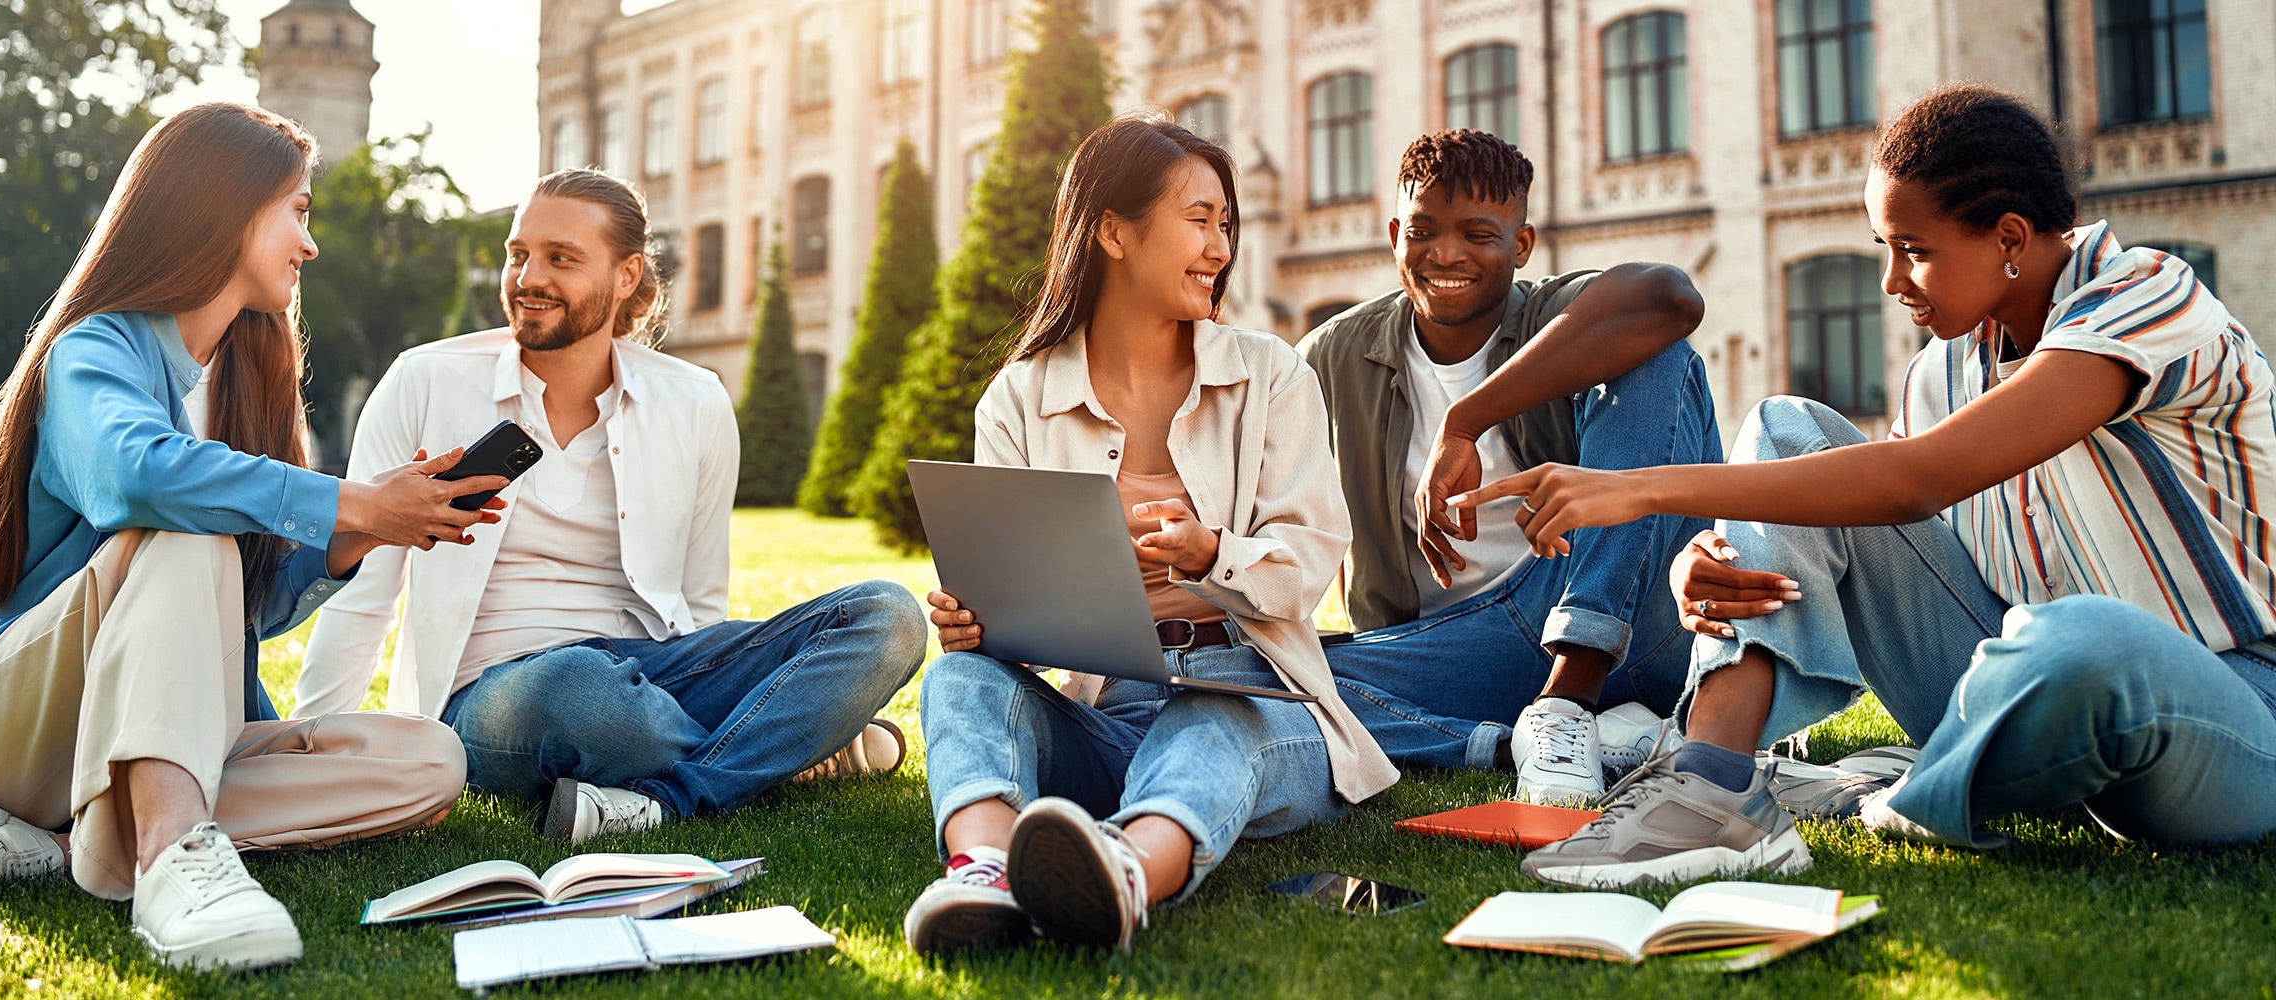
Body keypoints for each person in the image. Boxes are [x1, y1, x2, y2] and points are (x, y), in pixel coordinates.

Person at [1463, 84, 2276, 888]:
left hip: (2230, 706)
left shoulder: (2149, 295)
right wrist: (1700, 563)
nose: (1892, 280)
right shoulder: (1942, 371)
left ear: (2010, 238)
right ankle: (1711, 784)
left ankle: (1899, 792)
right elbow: (1844, 516)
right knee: (1787, 429)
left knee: (2084, 639)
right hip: (2004, 674)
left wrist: (1642, 490)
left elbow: (1913, 484)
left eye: (1914, 249)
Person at [0, 103, 482, 970]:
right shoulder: (96, 350)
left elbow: (247, 609)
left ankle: (43, 851)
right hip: (21, 725)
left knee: (429, 760)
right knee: (186, 530)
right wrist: (349, 501)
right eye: (299, 210)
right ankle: (172, 858)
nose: (309, 245)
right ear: (224, 205)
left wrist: (363, 536)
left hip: (148, 727)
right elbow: (136, 478)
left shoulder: (251, 379)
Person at [295, 169, 925, 845]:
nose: (528, 277)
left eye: (561, 259)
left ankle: (668, 800)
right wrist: (303, 754)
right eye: (518, 254)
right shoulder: (425, 381)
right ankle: (790, 749)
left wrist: (692, 687)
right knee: (584, 689)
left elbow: (701, 599)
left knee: (888, 615)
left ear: (627, 275)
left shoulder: (695, 400)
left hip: (658, 673)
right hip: (497, 696)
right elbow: (362, 593)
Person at [903, 116, 1395, 956]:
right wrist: (981, 624)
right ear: (1115, 232)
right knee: (958, 682)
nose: (1220, 246)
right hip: (1112, 706)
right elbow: (1015, 604)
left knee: (1212, 720)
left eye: (1226, 224)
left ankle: (1123, 871)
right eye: (1198, 220)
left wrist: (1209, 553)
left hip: (1261, 696)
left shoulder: (1271, 375)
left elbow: (1310, 564)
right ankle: (984, 875)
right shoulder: (1018, 400)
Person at [1298, 130, 1720, 805]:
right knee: (1261, 678)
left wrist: (1465, 421)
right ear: (1393, 234)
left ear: (1520, 246)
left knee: (1657, 355)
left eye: (1477, 234)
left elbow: (1671, 299)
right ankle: (1518, 742)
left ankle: (1567, 702)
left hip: (1618, 613)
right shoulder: (1329, 357)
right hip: (1455, 650)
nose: (1446, 254)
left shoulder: (1561, 317)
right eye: (1423, 230)